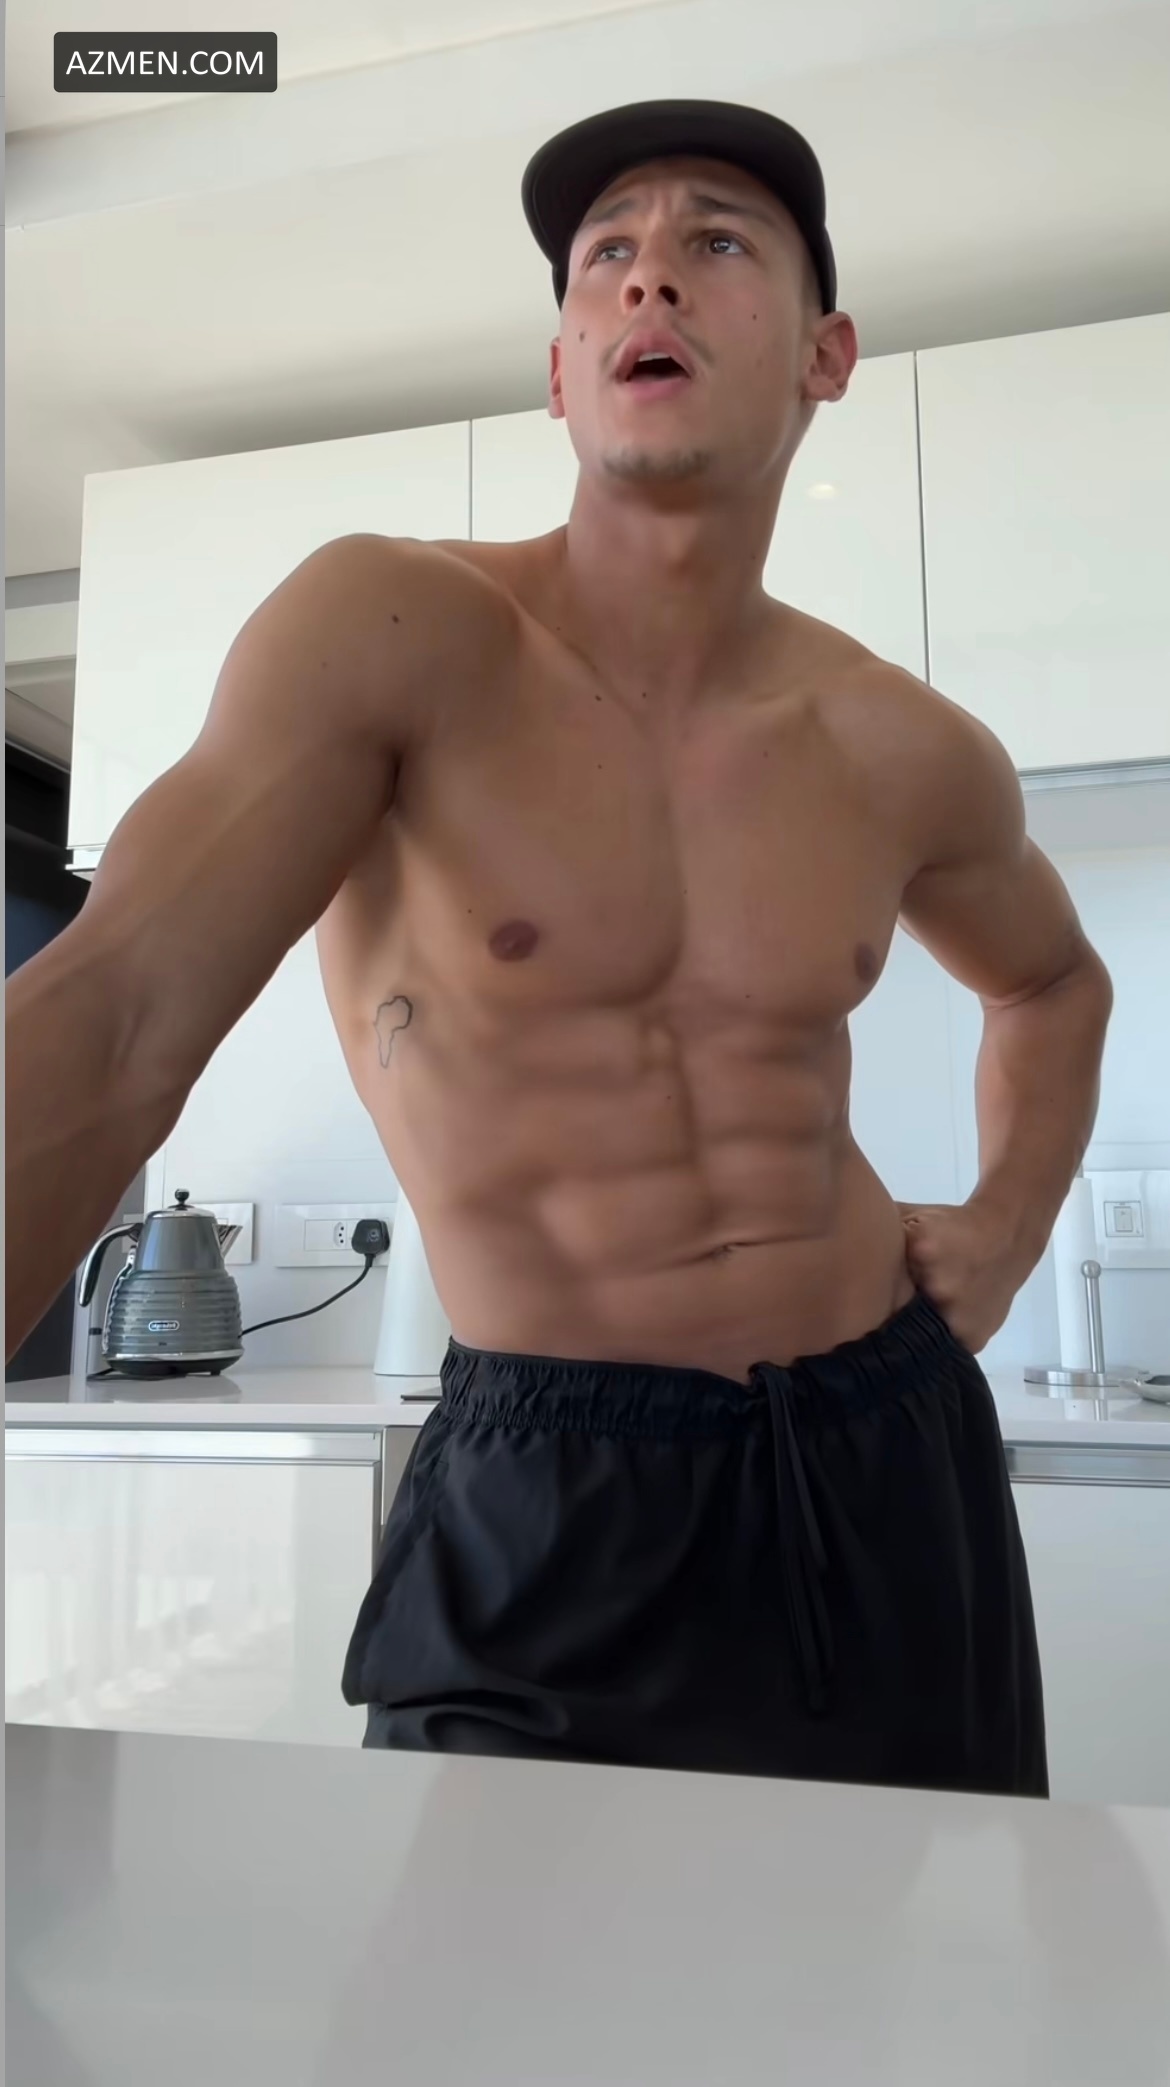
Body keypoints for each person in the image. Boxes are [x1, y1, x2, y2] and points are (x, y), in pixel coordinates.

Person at [6, 101, 1112, 1793]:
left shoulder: (904, 746)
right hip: (551, 1480)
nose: (647, 278)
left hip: (879, 1448)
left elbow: (1049, 982)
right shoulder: (393, 627)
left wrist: (1012, 1222)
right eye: (606, 256)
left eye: (715, 240)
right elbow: (117, 1013)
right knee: (491, 1954)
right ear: (558, 374)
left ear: (823, 355)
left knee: (914, 1949)